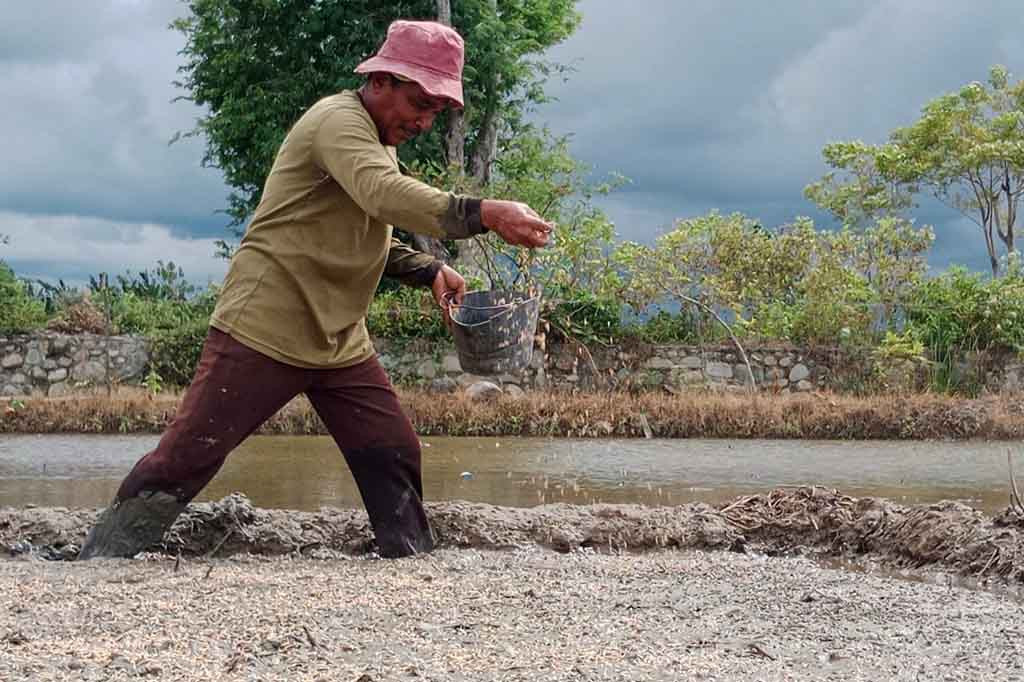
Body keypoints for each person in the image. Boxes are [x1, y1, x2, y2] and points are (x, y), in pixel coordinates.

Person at [78, 20, 552, 560]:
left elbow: (361, 228)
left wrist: (428, 270)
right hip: (266, 326)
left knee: (391, 450)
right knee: (189, 455)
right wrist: (485, 213)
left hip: (338, 338)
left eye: (436, 111)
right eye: (419, 103)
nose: (423, 121)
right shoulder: (338, 122)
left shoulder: (378, 142)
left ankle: (409, 562)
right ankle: (102, 559)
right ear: (380, 81)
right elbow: (383, 195)